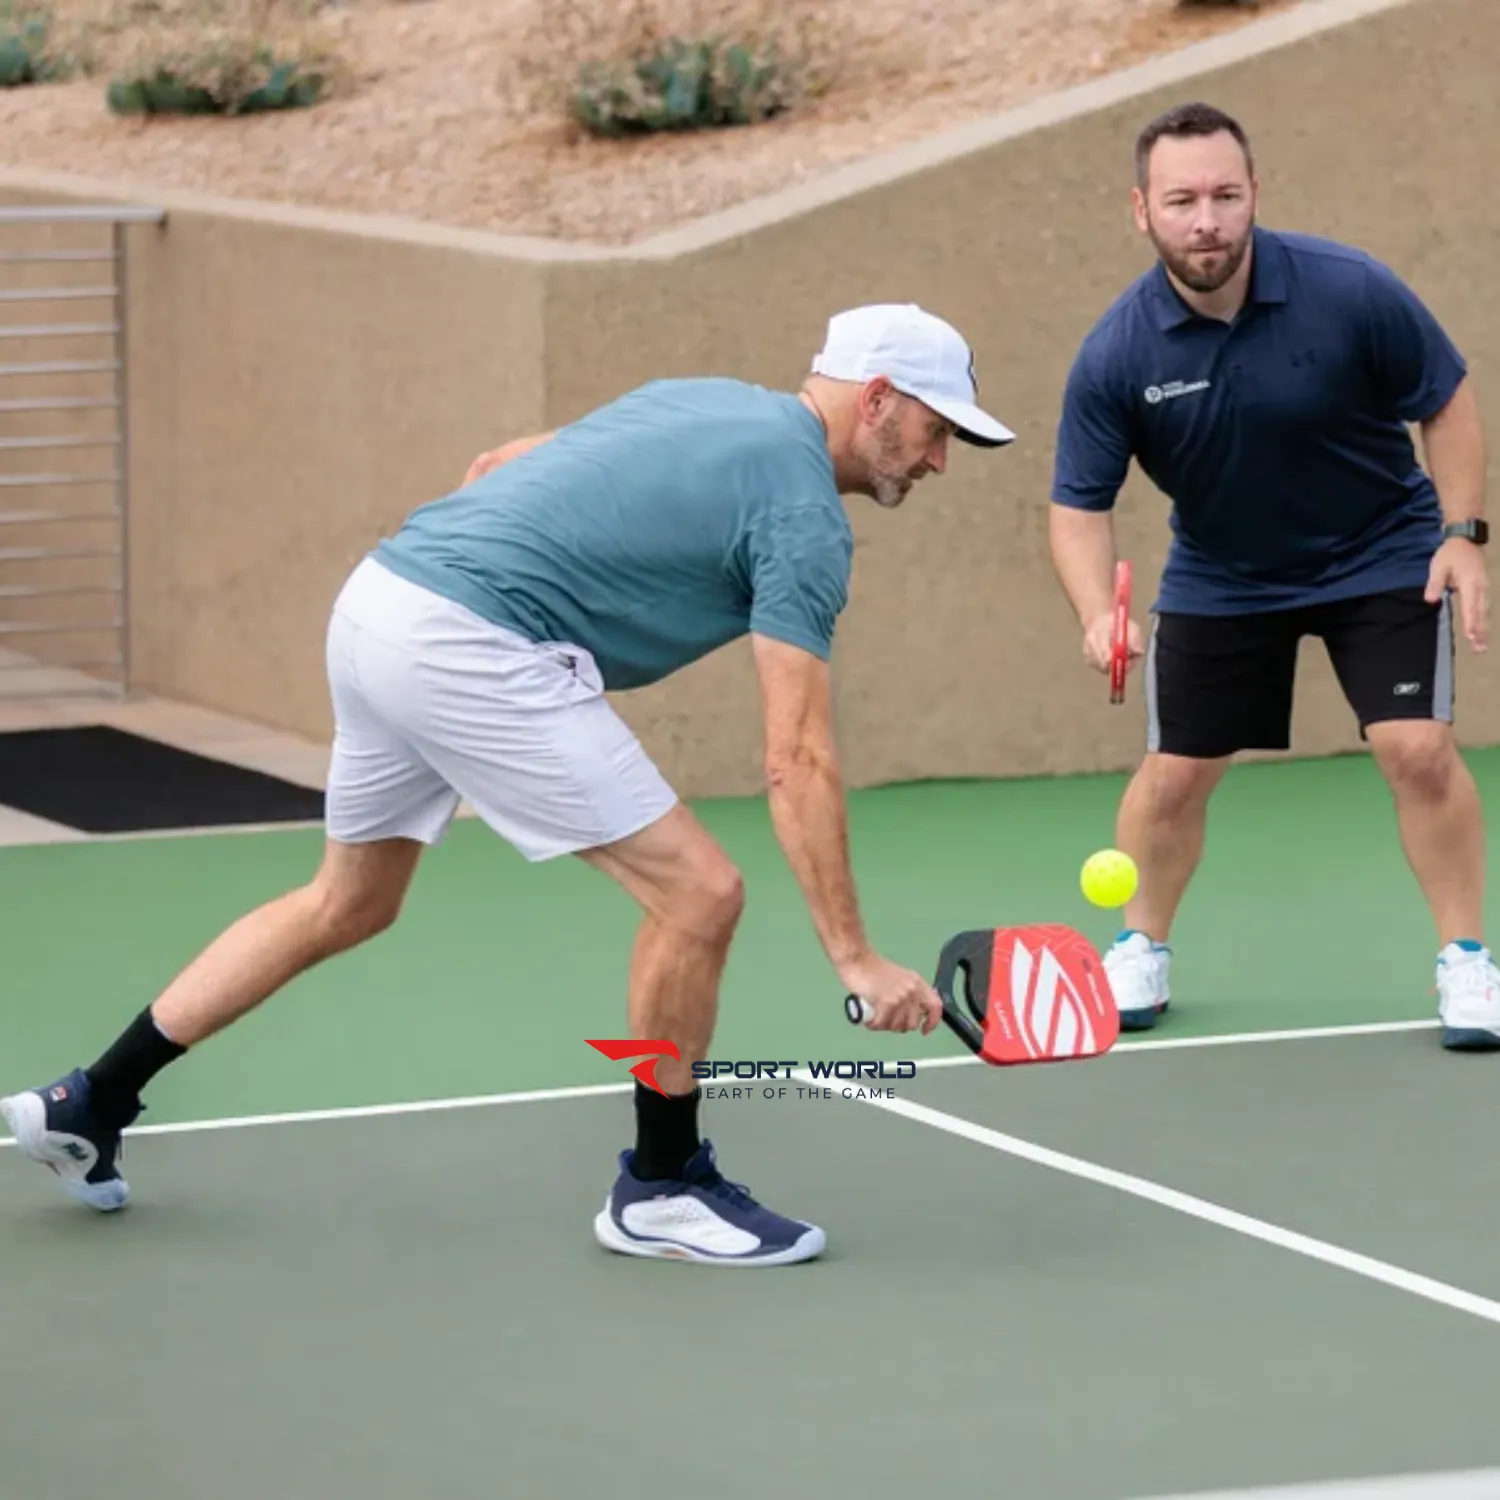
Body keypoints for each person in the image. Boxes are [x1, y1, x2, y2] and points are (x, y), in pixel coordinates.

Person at [0, 303, 1015, 1265]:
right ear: (877, 397)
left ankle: (91, 1102)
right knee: (698, 894)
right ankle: (659, 1190)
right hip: (467, 642)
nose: (937, 461)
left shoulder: (700, 398)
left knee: (346, 902)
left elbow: (498, 465)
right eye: (934, 431)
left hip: (383, 598)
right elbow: (797, 755)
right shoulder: (805, 520)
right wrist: (853, 956)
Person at [1048, 101, 1497, 1047]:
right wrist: (1096, 613)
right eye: (1181, 201)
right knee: (1173, 778)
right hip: (1226, 571)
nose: (1205, 219)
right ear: (1142, 211)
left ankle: (1467, 964)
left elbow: (1446, 400)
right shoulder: (1117, 351)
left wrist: (1462, 534)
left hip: (1379, 548)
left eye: (1223, 194)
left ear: (1256, 194)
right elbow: (1078, 506)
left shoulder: (1349, 288)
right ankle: (1140, 948)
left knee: (1415, 749)